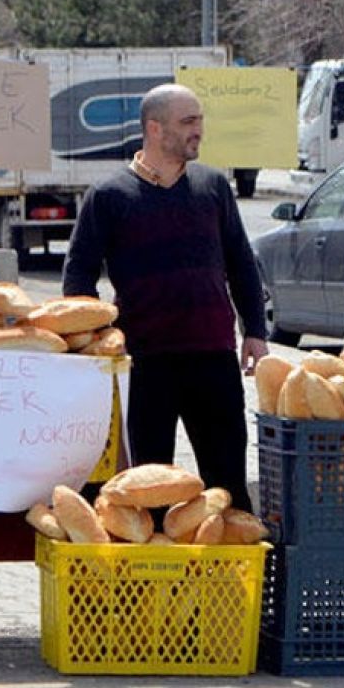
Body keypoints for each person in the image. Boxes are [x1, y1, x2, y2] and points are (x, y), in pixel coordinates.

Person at [62, 83, 269, 512]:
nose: (198, 131)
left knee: (227, 482)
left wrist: (255, 330)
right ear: (155, 129)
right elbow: (79, 272)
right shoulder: (109, 197)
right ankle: (157, 576)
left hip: (213, 357)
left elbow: (241, 262)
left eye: (200, 121)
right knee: (147, 488)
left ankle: (231, 576)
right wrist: (91, 339)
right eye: (188, 122)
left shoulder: (213, 187)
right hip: (144, 363)